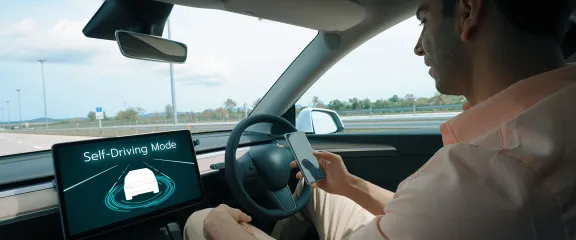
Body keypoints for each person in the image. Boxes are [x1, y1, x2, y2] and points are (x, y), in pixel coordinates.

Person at [184, 0, 576, 239]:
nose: (419, 47)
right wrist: (350, 184)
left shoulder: (492, 169)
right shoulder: (551, 121)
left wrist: (221, 227)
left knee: (202, 220)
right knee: (319, 189)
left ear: (468, 11)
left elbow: (453, 206)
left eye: (423, 19)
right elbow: (432, 214)